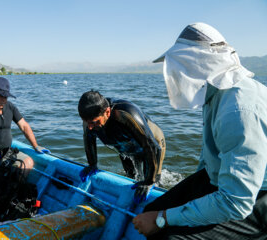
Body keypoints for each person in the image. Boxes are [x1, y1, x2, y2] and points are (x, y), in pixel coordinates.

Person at [133, 22, 267, 239]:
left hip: (258, 198)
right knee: (151, 210)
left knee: (167, 235)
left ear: (198, 64)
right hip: (218, 178)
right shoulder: (216, 93)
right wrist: (171, 209)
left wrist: (163, 218)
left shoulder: (238, 109)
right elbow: (208, 156)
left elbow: (237, 202)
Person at [78, 90, 166, 203]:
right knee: (130, 178)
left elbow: (152, 146)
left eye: (94, 122)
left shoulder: (125, 114)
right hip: (125, 147)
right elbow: (89, 140)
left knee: (153, 182)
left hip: (152, 144)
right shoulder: (90, 118)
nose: (89, 127)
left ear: (108, 112)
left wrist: (150, 181)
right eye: (86, 122)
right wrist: (92, 164)